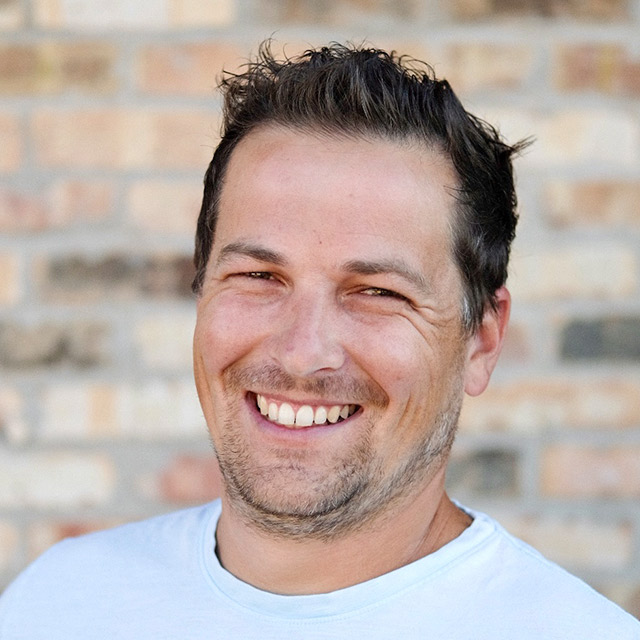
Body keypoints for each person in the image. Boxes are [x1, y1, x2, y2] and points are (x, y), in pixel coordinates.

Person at [1, 42, 638, 639]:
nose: (302, 353)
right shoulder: (55, 605)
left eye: (378, 292)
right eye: (258, 276)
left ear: (482, 341)